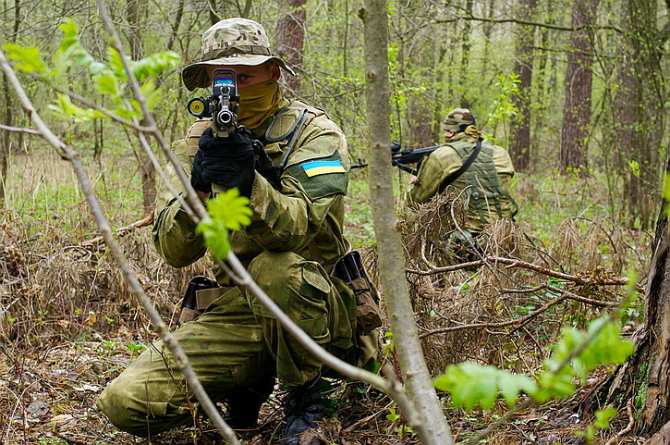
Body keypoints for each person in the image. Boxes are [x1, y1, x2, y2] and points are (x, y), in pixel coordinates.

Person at [96, 18, 367, 445]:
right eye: (223, 78)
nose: (235, 90)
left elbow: (297, 229)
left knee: (277, 269)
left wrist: (248, 183)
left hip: (316, 310)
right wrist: (200, 189)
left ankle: (311, 400)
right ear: (206, 83)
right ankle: (246, 383)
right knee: (125, 401)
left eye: (245, 76)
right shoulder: (201, 140)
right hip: (239, 310)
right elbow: (173, 249)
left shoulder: (314, 133)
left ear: (273, 73)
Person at [408, 108, 518, 254]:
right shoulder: (500, 153)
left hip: (461, 243)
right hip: (504, 238)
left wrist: (414, 182)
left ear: (450, 132)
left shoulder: (443, 156)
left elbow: (415, 202)